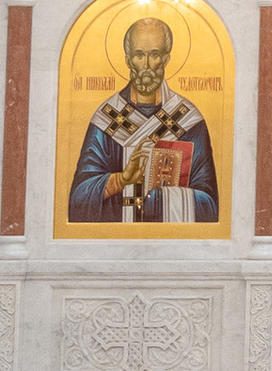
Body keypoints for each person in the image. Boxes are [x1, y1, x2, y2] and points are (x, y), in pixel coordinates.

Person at [67, 14, 219, 224]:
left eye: (154, 54)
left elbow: (210, 206)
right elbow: (78, 199)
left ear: (166, 58)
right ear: (128, 59)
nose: (146, 64)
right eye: (139, 55)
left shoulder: (188, 121)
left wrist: (159, 200)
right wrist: (121, 180)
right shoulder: (107, 118)